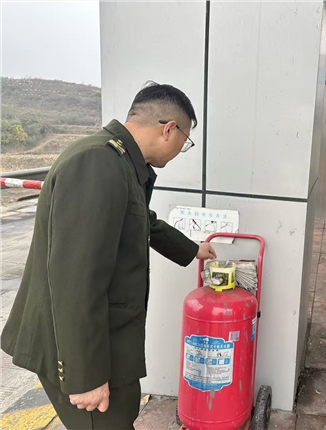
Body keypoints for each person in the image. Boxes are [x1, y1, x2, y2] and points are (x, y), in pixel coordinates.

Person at [1, 82, 217, 429]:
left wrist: (192, 250)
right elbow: (76, 277)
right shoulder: (98, 162)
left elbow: (140, 220)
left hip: (102, 341)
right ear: (169, 129)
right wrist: (85, 375)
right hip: (74, 349)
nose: (182, 149)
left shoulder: (121, 161)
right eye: (185, 140)